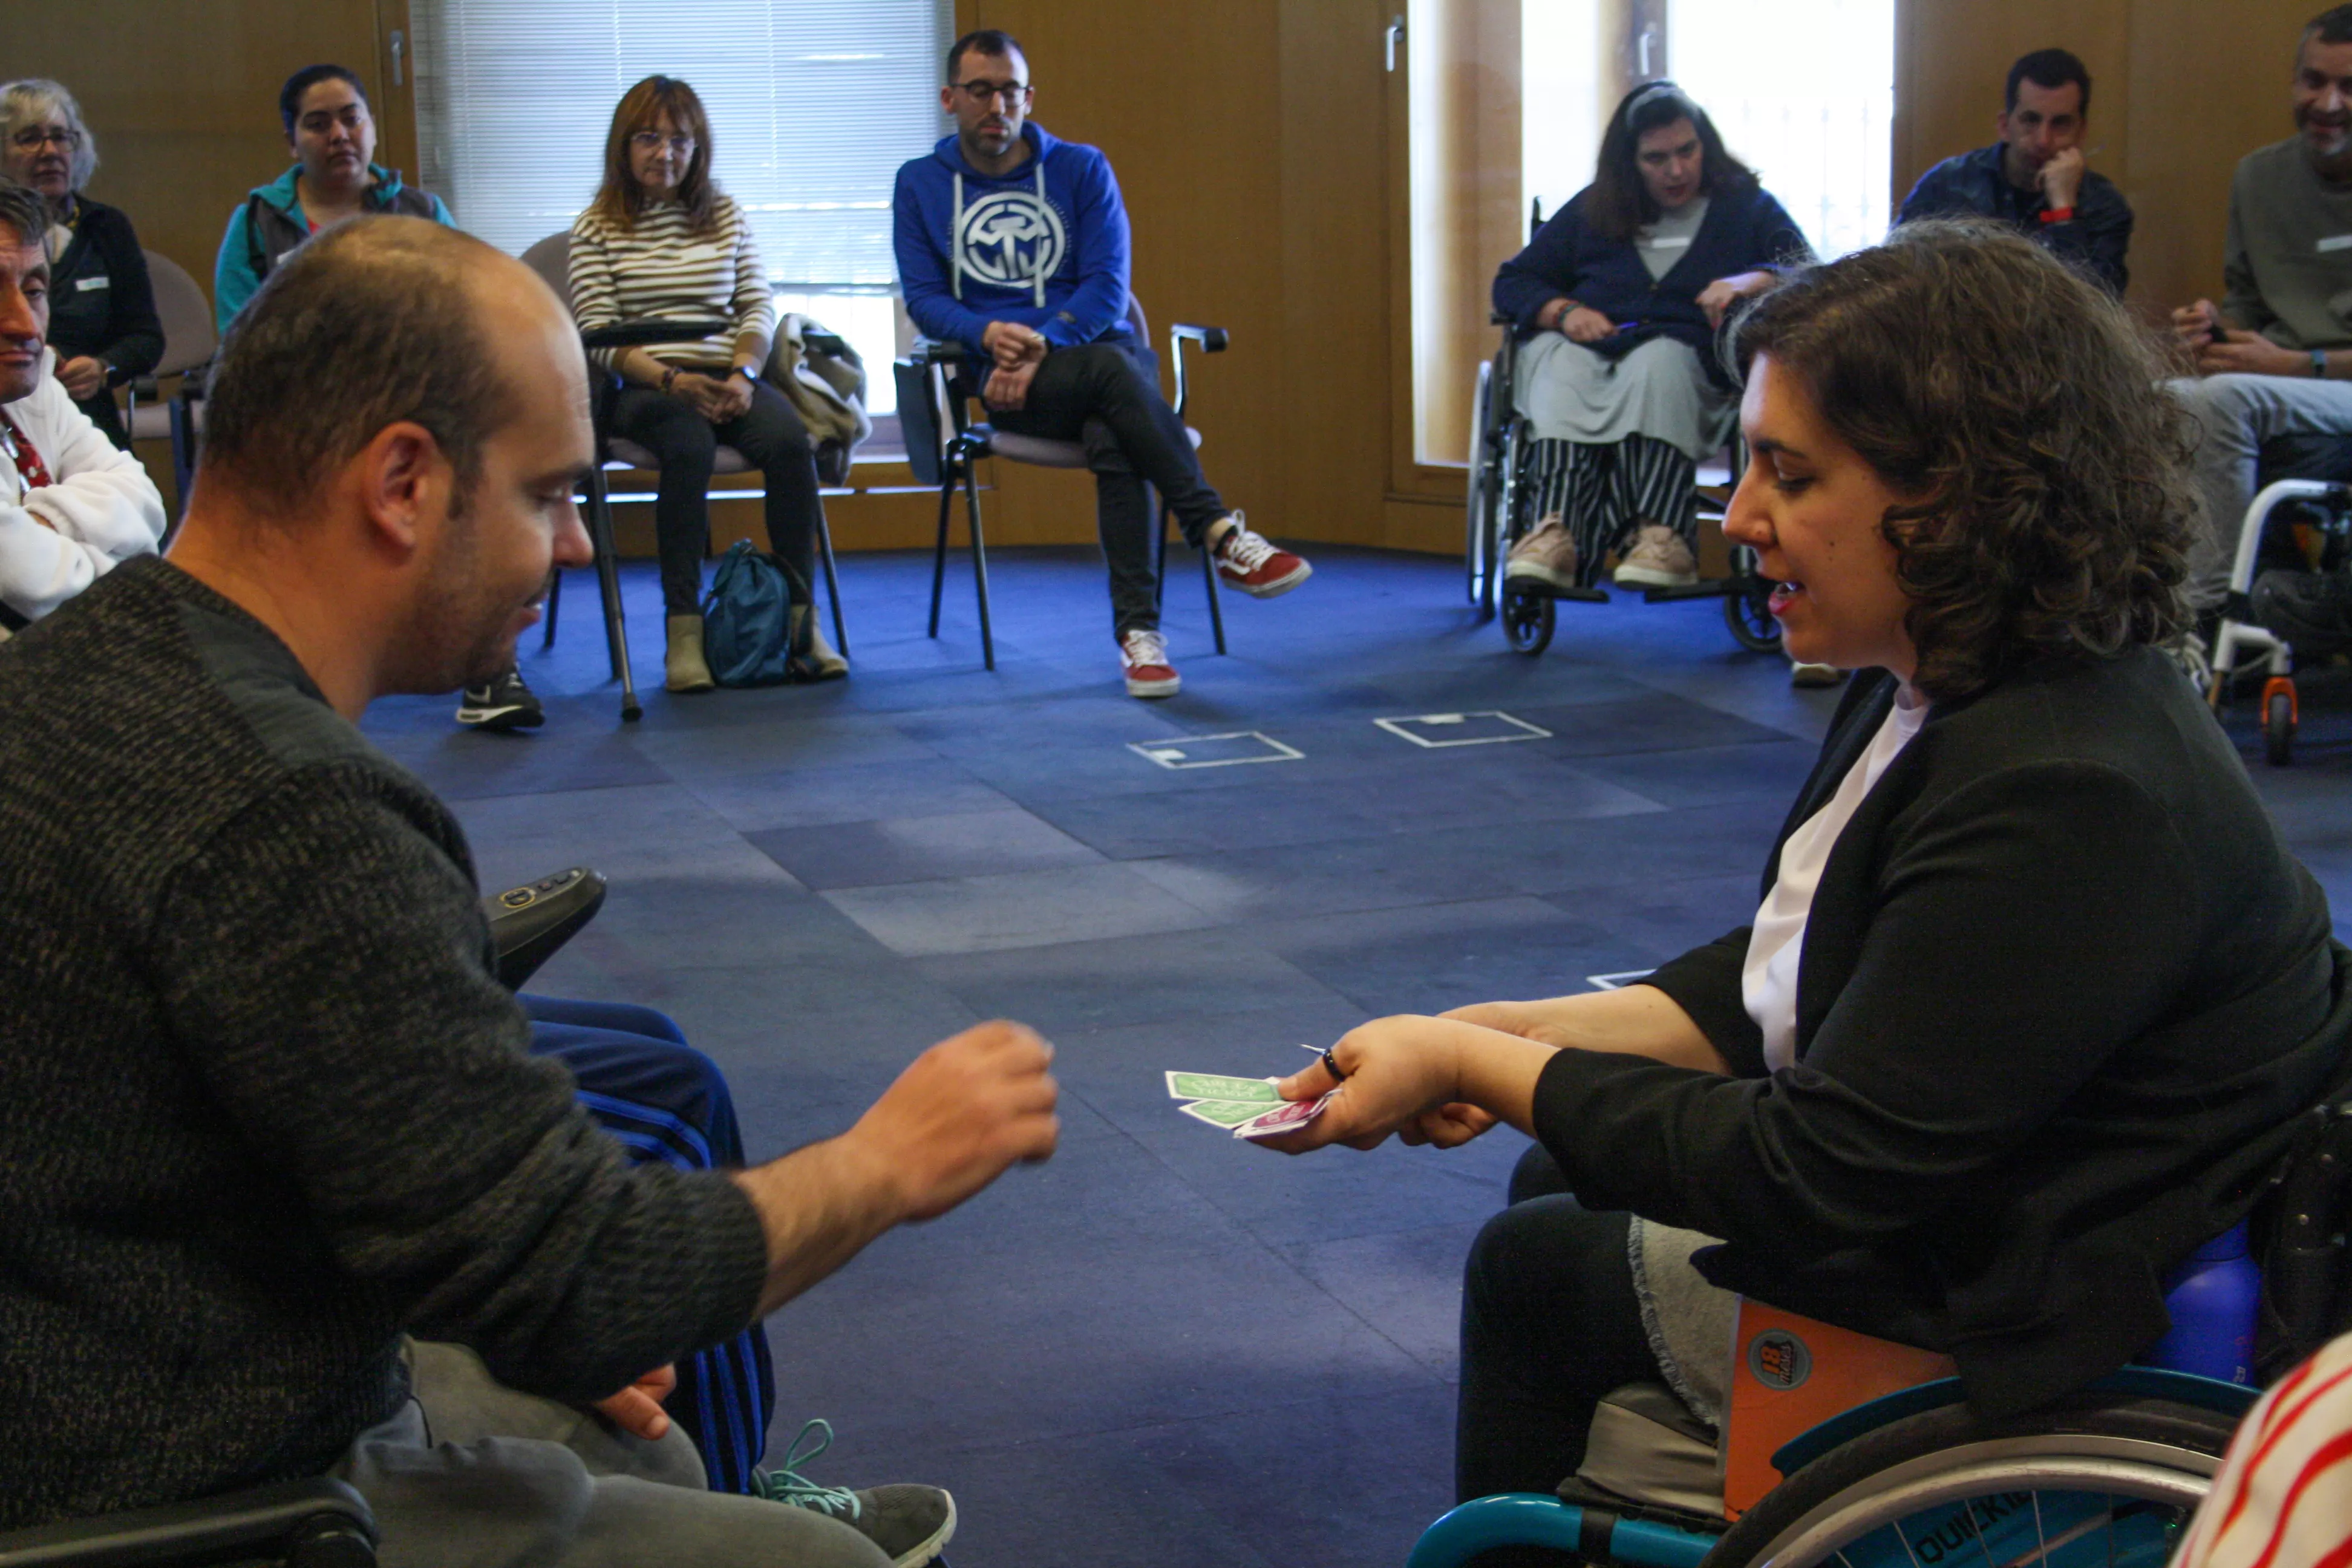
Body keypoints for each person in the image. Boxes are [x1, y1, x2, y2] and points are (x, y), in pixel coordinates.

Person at [0, 214, 1062, 1567]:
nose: (568, 549)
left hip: (108, 1358)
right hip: (184, 1488)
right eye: (547, 495)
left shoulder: (84, 661)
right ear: (403, 483)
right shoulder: (287, 809)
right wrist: (887, 1163)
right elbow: (587, 1282)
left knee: (645, 1436)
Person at [1256, 221, 2348, 1521]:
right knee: (1560, 1176)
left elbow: (1816, 1173)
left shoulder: (2071, 790)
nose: (1738, 514)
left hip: (2071, 1283)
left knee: (1535, 1268)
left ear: (1953, 497)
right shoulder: (1950, 668)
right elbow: (1802, 965)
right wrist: (1496, 1037)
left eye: (1790, 472)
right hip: (2041, 1182)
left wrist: (1487, 1068)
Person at [892, 28, 1311, 700]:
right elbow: (925, 298)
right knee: (1121, 377)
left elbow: (1107, 287)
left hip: (1079, 356)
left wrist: (1044, 342)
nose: (997, 105)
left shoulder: (1082, 168)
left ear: (1030, 98)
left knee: (1115, 425)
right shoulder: (919, 183)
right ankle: (1217, 530)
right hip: (996, 372)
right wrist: (992, 333)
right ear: (950, 98)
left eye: (1011, 91)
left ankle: (1141, 642)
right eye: (981, 90)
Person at [567, 74, 843, 702]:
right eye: (649, 138)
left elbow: (757, 307)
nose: (665, 154)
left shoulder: (725, 214)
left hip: (727, 376)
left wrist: (745, 375)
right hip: (643, 384)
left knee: (790, 442)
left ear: (699, 150)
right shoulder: (594, 227)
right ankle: (683, 633)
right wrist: (672, 379)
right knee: (688, 446)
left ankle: (803, 626)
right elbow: (597, 335)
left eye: (680, 142)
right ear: (623, 145)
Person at [1494, 82, 1806, 610]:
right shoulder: (1595, 210)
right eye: (1656, 158)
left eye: (1687, 151)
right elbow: (1514, 282)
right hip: (1593, 354)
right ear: (1629, 162)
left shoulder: (1744, 207)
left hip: (1689, 364)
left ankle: (1663, 537)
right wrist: (1564, 312)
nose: (1676, 170)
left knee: (1659, 361)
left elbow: (1803, 267)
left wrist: (1748, 281)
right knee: (1562, 362)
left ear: (1704, 145)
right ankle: (1554, 533)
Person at [2168, 5, 2352, 617]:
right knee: (2156, 397)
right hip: (2275, 380)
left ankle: (2208, 616)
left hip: (2326, 382)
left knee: (2221, 402)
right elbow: (2246, 303)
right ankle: (2143, 604)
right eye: (2314, 81)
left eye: (2349, 87)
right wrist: (2212, 329)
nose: (2328, 104)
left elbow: (2278, 367)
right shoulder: (2257, 177)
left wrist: (2300, 364)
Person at [0, 177, 164, 623]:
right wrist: (122, 572)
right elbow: (29, 587)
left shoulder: (36, 385)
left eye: (33, 292)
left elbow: (144, 497)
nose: (26, 326)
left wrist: (43, 523)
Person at [213, 64, 450, 336]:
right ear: (292, 142)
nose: (339, 135)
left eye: (352, 120)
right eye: (318, 125)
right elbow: (238, 342)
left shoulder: (425, 213)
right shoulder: (255, 224)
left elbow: (464, 309)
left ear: (372, 127)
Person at [0, 79, 163, 450]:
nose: (50, 151)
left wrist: (104, 367)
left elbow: (146, 337)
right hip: (11, 410)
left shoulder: (108, 227)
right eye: (29, 138)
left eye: (61, 137)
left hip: (90, 415)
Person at [1896, 49, 2133, 295]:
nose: (2043, 140)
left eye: (2060, 124)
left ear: (2081, 131)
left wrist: (2064, 211)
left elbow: (2097, 311)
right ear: (2005, 126)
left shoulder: (2104, 206)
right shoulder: (1946, 185)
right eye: (2031, 120)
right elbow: (1895, 276)